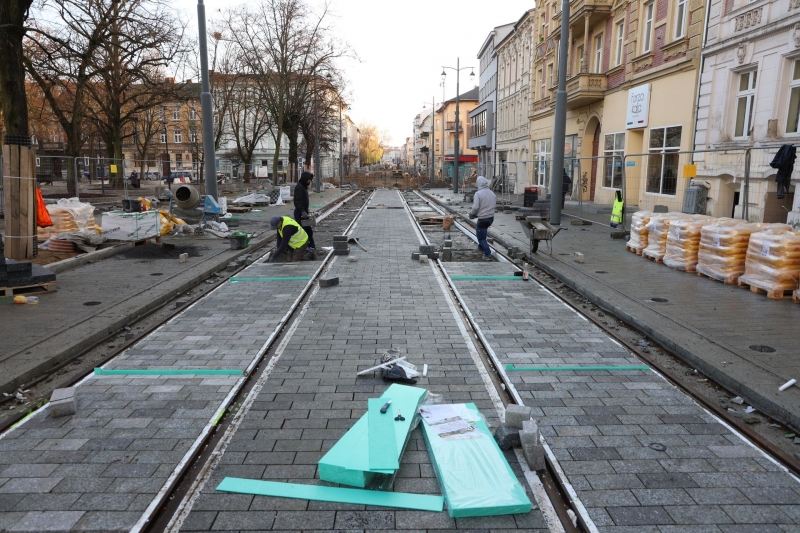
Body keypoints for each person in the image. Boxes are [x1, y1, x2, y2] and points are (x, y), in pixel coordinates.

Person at [468, 175, 496, 261]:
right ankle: (480, 248)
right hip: (491, 218)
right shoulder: (492, 193)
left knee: (480, 237)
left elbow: (475, 207)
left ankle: (487, 254)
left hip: (483, 218)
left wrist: (472, 214)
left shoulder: (478, 194)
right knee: (483, 232)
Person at [294, 171, 316, 250]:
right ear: (305, 179)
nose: (310, 182)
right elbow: (298, 200)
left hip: (303, 212)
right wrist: (303, 211)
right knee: (306, 231)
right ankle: (309, 247)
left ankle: (310, 246)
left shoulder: (302, 187)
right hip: (301, 213)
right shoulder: (300, 187)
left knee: (308, 230)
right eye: (309, 180)